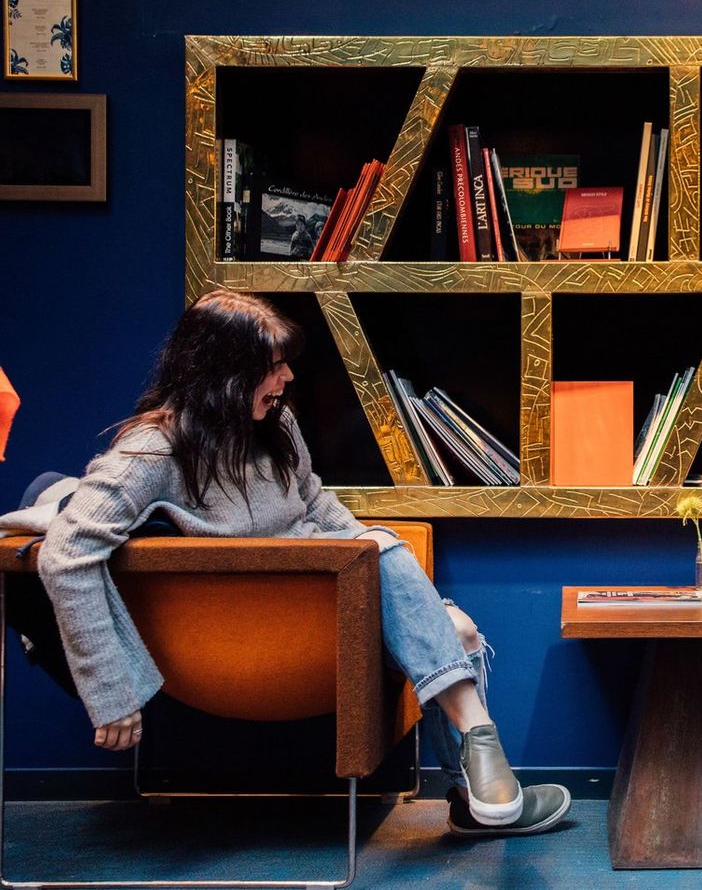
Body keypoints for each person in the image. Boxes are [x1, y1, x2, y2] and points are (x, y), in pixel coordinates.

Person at [35, 290, 569, 837]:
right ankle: (482, 753)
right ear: (221, 372)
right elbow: (66, 552)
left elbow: (315, 503)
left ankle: (474, 800)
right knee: (396, 565)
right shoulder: (154, 450)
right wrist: (110, 691)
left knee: (448, 623)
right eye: (271, 367)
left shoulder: (276, 425)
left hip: (332, 605)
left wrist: (376, 569)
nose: (287, 377)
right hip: (259, 637)